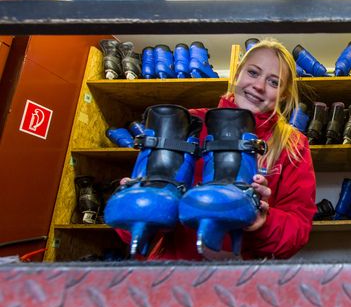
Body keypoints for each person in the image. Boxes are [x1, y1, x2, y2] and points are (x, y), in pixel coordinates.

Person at [115, 39, 316, 260]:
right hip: (172, 270)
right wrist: (136, 209)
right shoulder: (190, 124)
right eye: (253, 73)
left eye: (274, 82)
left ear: (284, 95)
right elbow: (131, 233)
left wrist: (263, 222)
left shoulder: (292, 145)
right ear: (237, 73)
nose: (259, 86)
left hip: (244, 276)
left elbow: (297, 232)